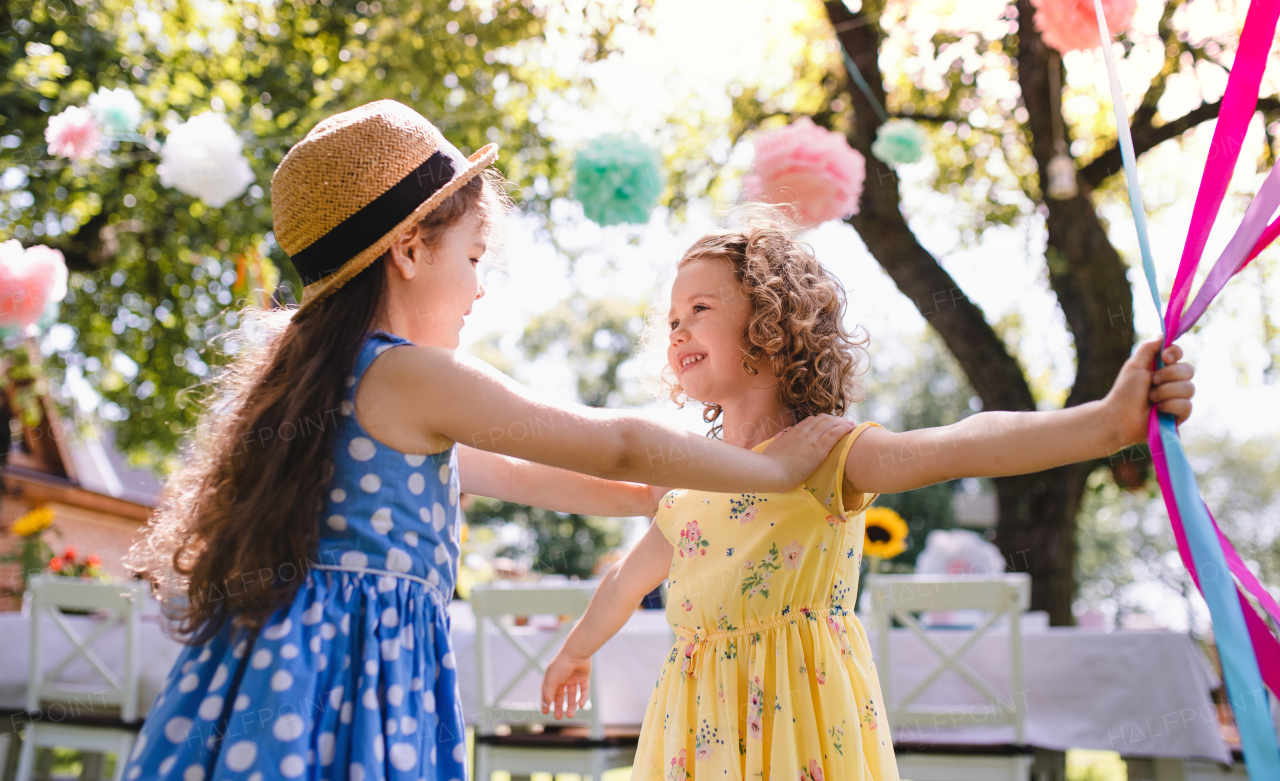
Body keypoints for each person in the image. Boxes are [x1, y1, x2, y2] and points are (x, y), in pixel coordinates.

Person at [119, 101, 860, 780]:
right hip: (352, 684)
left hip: (273, 684)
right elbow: (620, 446)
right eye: (473, 257)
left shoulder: (334, 385)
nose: (479, 288)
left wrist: (689, 492)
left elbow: (565, 475)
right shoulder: (408, 375)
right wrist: (772, 469)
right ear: (409, 249)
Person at [539, 209, 1197, 781]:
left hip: (800, 730)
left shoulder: (829, 453)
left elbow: (962, 443)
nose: (678, 329)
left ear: (773, 320)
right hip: (699, 734)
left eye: (700, 309)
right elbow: (626, 580)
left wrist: (1105, 424)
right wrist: (575, 649)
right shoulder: (691, 482)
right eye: (674, 318)